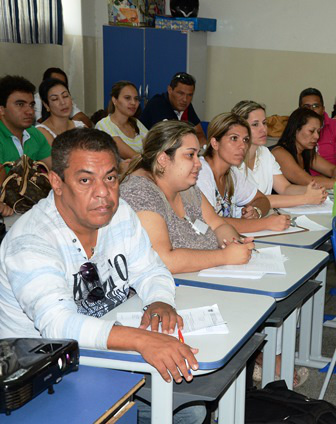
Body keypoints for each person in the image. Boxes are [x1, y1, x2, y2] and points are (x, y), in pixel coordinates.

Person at [0, 127, 206, 423]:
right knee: (186, 413)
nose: (103, 193)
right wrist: (142, 340)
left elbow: (150, 268)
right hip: (43, 375)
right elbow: (58, 325)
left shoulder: (118, 212)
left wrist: (160, 300)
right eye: (85, 180)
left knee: (189, 406)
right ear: (56, 182)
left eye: (110, 178)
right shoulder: (31, 241)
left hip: (102, 349)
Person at [120, 120, 254, 273]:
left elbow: (218, 225)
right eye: (190, 155)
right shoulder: (139, 193)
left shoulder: (185, 186)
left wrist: (233, 244)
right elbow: (162, 259)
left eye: (198, 155)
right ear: (163, 159)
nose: (199, 163)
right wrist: (224, 256)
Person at [197, 112, 291, 233]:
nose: (242, 146)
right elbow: (212, 222)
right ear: (215, 143)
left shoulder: (232, 172)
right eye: (234, 138)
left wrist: (256, 211)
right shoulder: (200, 172)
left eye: (246, 140)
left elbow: (262, 199)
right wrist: (265, 223)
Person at [231, 100, 327, 208]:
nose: (263, 129)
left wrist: (311, 190)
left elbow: (285, 188)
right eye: (255, 124)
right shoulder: (231, 159)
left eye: (264, 123)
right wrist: (305, 198)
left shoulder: (265, 153)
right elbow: (255, 200)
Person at [272, 107, 336, 190]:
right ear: (295, 129)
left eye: (318, 131)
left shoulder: (306, 151)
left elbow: (333, 169)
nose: (317, 137)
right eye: (311, 131)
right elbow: (309, 182)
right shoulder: (280, 153)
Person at [0, 75, 52, 184]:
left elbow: (56, 169)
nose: (30, 111)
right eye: (20, 104)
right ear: (1, 110)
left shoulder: (34, 133)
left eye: (31, 105)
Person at [139, 72, 207, 146]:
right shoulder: (157, 104)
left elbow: (200, 135)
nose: (185, 99)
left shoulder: (186, 105)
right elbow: (166, 142)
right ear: (170, 90)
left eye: (189, 95)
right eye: (180, 93)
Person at [298, 88, 336, 172]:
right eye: (306, 106)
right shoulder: (296, 130)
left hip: (333, 181)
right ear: (299, 110)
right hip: (304, 182)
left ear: (323, 109)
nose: (311, 110)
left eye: (316, 106)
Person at [95, 81, 148, 159]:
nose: (133, 103)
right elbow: (134, 157)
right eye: (127, 98)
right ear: (114, 100)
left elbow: (153, 144)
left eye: (136, 99)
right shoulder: (103, 125)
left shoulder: (136, 123)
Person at [36, 78, 85, 145]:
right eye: (55, 99)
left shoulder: (80, 127)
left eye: (65, 96)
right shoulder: (40, 132)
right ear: (46, 105)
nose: (62, 102)